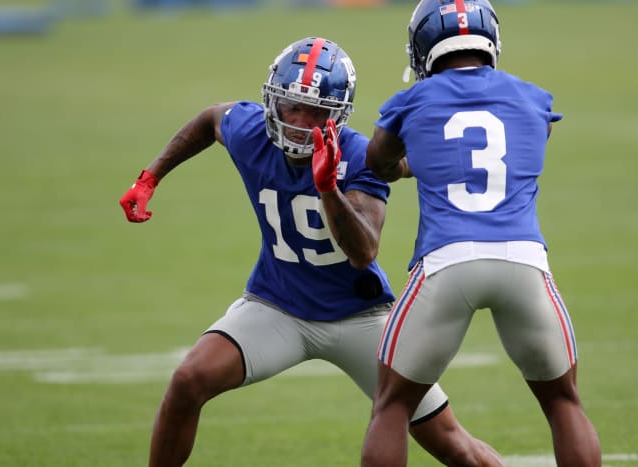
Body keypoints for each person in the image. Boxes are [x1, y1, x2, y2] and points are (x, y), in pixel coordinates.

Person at [119, 37, 504, 467]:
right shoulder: (250, 133)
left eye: (316, 111)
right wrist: (150, 177)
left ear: (337, 116)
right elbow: (211, 119)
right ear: (272, 102)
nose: (301, 122)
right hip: (277, 306)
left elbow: (363, 251)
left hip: (358, 318)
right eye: (292, 107)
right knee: (188, 380)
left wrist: (328, 190)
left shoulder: (357, 155)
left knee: (450, 442)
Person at [359, 2, 602, 467]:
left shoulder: (409, 103)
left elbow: (378, 162)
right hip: (523, 262)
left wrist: (411, 164)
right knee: (563, 402)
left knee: (392, 406)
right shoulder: (534, 98)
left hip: (447, 261)